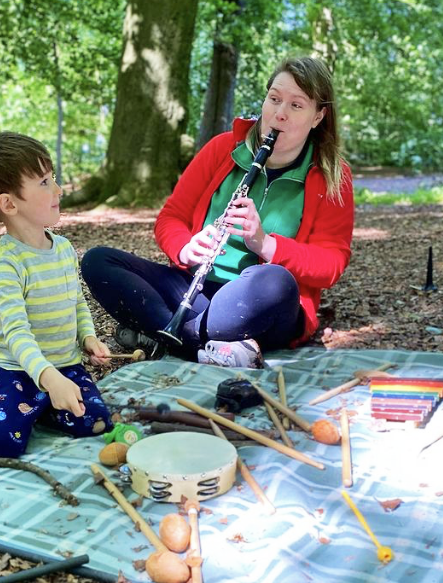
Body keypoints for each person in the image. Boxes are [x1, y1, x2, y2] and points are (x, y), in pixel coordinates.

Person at [82, 56, 354, 368]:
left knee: (276, 281)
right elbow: (171, 217)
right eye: (274, 99)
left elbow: (332, 263)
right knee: (99, 261)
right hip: (197, 288)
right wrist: (186, 248)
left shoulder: (333, 176)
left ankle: (166, 335)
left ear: (318, 116)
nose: (279, 114)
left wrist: (265, 244)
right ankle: (199, 346)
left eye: (296, 105)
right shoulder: (222, 148)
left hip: (261, 303)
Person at [0, 131, 113, 458]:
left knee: (94, 422)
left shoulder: (63, 248)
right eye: (44, 183)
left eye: (53, 178)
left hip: (64, 366)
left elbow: (75, 301)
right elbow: (16, 335)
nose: (59, 190)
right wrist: (49, 380)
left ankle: (43, 406)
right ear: (9, 204)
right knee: (2, 442)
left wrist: (87, 337)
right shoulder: (6, 266)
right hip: (18, 371)